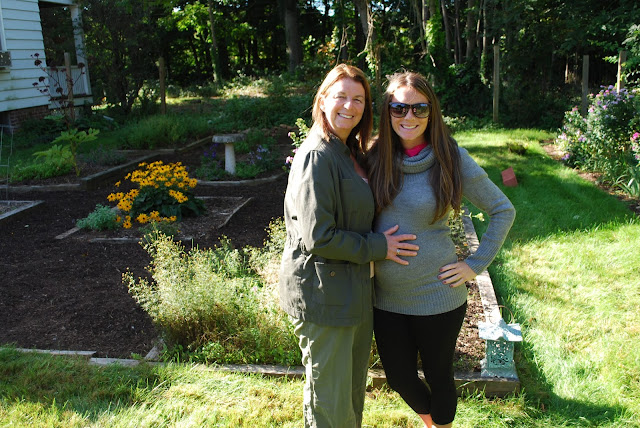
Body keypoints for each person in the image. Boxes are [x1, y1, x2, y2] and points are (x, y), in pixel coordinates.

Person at [365, 71, 516, 428]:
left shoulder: (451, 157)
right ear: (387, 111)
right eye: (399, 108)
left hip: (438, 295)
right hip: (385, 297)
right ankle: (433, 423)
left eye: (419, 108)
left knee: (439, 376)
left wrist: (474, 265)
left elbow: (502, 209)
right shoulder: (373, 156)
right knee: (399, 377)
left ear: (432, 111)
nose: (409, 116)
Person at [279, 64, 419, 428]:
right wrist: (379, 247)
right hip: (324, 297)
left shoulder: (348, 151)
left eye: (358, 99)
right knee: (331, 402)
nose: (350, 106)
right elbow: (319, 236)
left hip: (352, 292)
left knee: (351, 395)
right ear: (323, 100)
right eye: (341, 96)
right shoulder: (317, 156)